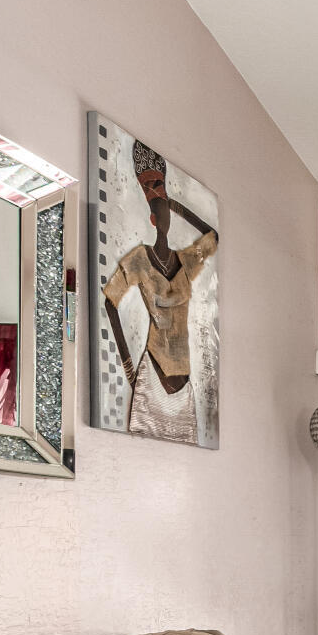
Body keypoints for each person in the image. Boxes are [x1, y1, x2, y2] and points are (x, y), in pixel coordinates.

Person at [102, 140, 218, 444]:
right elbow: (110, 301)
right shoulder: (139, 259)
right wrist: (127, 364)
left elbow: (212, 237)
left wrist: (177, 205)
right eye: (161, 212)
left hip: (184, 379)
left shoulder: (186, 261)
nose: (165, 217)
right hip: (153, 373)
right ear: (152, 220)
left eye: (168, 211)